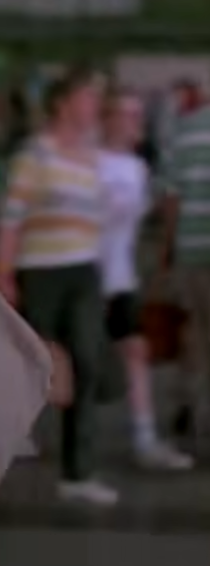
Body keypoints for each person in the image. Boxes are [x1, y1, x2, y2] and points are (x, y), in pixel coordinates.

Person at [0, 67, 118, 507]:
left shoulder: (91, 158)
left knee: (85, 363)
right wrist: (5, 274)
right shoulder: (36, 154)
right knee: (35, 366)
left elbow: (98, 222)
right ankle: (1, 442)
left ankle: (78, 472)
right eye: (87, 98)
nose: (94, 107)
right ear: (63, 105)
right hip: (40, 270)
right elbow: (11, 218)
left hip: (82, 269)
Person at [99, 89, 193, 470]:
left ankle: (145, 437)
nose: (136, 122)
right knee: (56, 359)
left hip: (119, 278)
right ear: (108, 119)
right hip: (83, 276)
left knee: (136, 351)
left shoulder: (137, 168)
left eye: (139, 114)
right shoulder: (91, 162)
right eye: (128, 114)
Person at [159, 79, 210, 442]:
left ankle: (191, 406)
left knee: (194, 332)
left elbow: (171, 198)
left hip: (191, 250)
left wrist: (167, 249)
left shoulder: (181, 133)